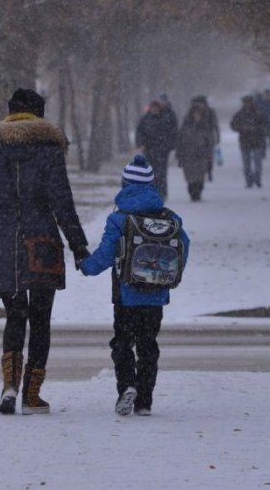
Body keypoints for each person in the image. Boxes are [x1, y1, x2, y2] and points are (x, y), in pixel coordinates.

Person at [0, 88, 91, 415]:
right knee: (40, 318)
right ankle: (32, 395)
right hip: (42, 241)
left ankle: (9, 387)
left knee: (14, 315)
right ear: (38, 114)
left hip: (3, 239)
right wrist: (78, 246)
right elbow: (62, 202)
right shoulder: (49, 150)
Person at [76, 154, 190, 416]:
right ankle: (145, 401)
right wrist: (170, 275)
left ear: (125, 184)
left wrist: (85, 266)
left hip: (125, 295)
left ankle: (127, 386)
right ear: (152, 185)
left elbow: (105, 256)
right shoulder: (169, 218)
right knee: (148, 344)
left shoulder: (119, 220)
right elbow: (184, 247)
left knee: (123, 343)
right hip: (156, 295)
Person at [135, 98, 177, 198]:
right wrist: (141, 143)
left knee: (161, 172)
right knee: (150, 172)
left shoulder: (165, 119)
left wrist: (169, 145)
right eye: (153, 108)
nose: (154, 110)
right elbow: (139, 132)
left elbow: (171, 132)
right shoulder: (145, 119)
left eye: (156, 108)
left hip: (162, 150)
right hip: (149, 150)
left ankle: (162, 192)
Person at [176, 99, 217, 201]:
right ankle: (192, 193)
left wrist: (209, 155)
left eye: (198, 114)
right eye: (195, 114)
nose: (196, 116)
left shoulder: (205, 127)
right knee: (190, 178)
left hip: (201, 156)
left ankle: (198, 192)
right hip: (188, 156)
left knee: (200, 177)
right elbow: (179, 141)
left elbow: (209, 142)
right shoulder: (185, 128)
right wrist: (179, 154)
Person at [230, 94, 269, 188]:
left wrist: (255, 129)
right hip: (245, 141)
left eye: (249, 102)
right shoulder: (240, 114)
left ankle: (257, 179)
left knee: (257, 163)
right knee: (246, 164)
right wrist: (242, 128)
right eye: (246, 103)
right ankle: (249, 181)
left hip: (257, 141)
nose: (247, 104)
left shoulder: (258, 113)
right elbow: (233, 125)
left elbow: (265, 126)